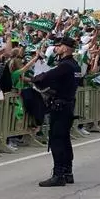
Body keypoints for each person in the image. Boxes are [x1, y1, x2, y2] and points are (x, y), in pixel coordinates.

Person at [31, 37, 81, 187]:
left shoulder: (65, 65)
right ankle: (67, 172)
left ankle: (58, 174)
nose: (57, 48)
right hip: (69, 104)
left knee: (57, 140)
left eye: (59, 46)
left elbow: (47, 77)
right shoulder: (75, 65)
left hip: (60, 105)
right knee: (65, 139)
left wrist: (34, 79)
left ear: (65, 48)